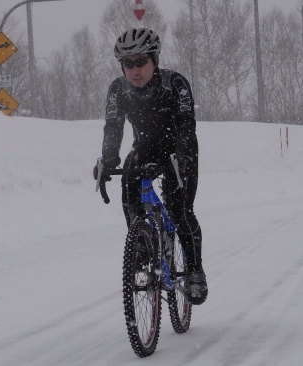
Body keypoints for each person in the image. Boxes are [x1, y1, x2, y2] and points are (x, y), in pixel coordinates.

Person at [93, 27, 207, 305]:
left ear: (155, 59)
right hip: (143, 148)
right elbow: (113, 126)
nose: (135, 70)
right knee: (129, 189)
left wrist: (183, 157)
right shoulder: (118, 89)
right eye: (128, 64)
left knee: (180, 211)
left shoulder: (175, 83)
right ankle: (141, 243)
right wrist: (108, 159)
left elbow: (185, 126)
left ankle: (194, 271)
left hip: (178, 149)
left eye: (141, 61)